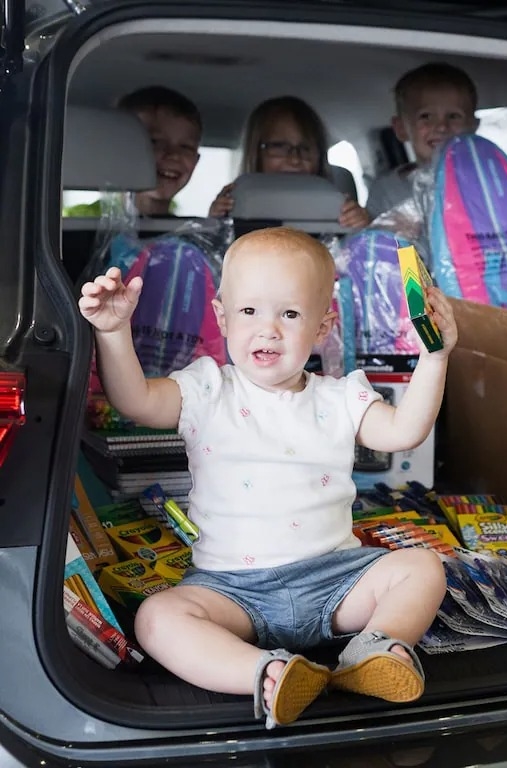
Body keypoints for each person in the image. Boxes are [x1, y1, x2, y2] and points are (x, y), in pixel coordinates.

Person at [78, 226, 455, 729]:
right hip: (231, 590)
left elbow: (404, 431)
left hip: (335, 580)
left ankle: (372, 650)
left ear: (323, 327)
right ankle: (268, 673)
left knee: (423, 567)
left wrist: (436, 356)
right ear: (222, 317)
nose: (268, 329)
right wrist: (112, 332)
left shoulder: (341, 396)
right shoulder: (207, 387)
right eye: (250, 311)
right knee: (158, 618)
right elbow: (135, 401)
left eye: (291, 314)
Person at [209, 96, 369, 229]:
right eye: (278, 146)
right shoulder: (233, 208)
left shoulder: (340, 213)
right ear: (255, 152)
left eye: (305, 148)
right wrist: (215, 223)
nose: (295, 159)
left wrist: (361, 227)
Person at [64, 85, 203, 218]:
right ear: (120, 150)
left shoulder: (192, 233)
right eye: (154, 141)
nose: (174, 155)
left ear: (196, 161)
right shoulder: (73, 223)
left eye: (186, 147)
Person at [366, 63, 479, 221]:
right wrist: (403, 238)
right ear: (401, 129)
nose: (441, 127)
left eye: (454, 116)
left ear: (473, 127)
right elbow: (380, 242)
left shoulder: (487, 180)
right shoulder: (388, 190)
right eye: (425, 116)